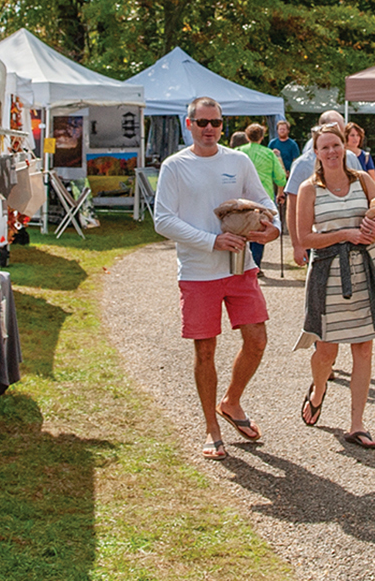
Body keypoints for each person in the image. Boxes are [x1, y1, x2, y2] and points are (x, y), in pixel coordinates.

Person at [153, 97, 281, 461]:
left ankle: (232, 400)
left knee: (257, 340)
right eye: (202, 122)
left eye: (216, 122)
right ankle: (212, 428)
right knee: (205, 350)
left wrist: (273, 230)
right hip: (198, 272)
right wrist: (211, 241)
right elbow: (163, 220)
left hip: (240, 266)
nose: (209, 128)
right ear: (188, 124)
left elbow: (265, 203)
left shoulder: (237, 160)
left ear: (224, 125)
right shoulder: (175, 166)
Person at [295, 123, 375, 449]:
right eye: (325, 147)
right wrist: (345, 235)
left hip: (365, 269)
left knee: (363, 347)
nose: (332, 152)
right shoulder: (309, 189)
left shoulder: (363, 180)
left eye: (336, 145)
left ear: (345, 147)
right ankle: (319, 388)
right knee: (326, 350)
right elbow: (305, 237)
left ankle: (357, 424)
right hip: (328, 273)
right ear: (317, 153)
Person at [284, 110, 362, 265]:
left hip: (356, 248)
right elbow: (292, 207)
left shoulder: (351, 158)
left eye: (341, 131)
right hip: (322, 249)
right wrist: (297, 245)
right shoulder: (302, 165)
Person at [238, 123, 288, 268]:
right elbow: (280, 177)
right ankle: (255, 265)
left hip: (241, 196)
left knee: (240, 229)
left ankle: (240, 264)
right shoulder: (269, 154)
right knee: (260, 230)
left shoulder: (238, 152)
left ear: (247, 136)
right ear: (262, 137)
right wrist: (280, 193)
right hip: (262, 197)